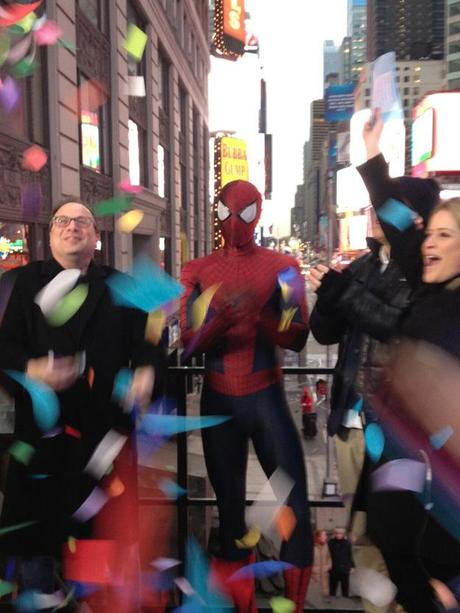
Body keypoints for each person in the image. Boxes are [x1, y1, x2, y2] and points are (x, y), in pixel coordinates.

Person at [0, 198, 165, 608]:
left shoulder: (121, 285)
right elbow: (3, 347)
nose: (72, 227)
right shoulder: (22, 283)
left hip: (100, 435)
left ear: (96, 237)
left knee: (96, 538)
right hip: (41, 434)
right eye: (63, 221)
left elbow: (152, 340)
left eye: (82, 222)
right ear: (51, 233)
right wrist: (32, 368)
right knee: (38, 545)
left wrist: (146, 371)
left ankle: (92, 598)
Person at [180, 180, 313, 613]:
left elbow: (297, 337)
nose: (234, 223)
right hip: (224, 401)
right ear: (215, 212)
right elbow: (188, 345)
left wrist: (260, 319)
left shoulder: (284, 265)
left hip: (264, 398)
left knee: (292, 502)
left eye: (244, 213)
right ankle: (244, 604)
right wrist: (221, 323)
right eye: (226, 214)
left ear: (258, 213)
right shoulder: (196, 269)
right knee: (230, 511)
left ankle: (288, 603)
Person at [355, 108, 460, 612]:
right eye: (431, 233)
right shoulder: (426, 285)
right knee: (400, 561)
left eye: (446, 235)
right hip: (403, 477)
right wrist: (373, 155)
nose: (431, 244)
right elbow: (400, 229)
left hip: (444, 500)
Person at [308, 210, 411, 613]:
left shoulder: (417, 270)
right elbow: (324, 333)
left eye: (385, 206)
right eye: (371, 206)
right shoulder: (362, 266)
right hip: (351, 419)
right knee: (362, 532)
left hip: (397, 425)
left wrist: (341, 291)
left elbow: (392, 324)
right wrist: (327, 297)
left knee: (401, 535)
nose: (374, 214)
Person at [328, 527, 354, 598]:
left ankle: (345, 602)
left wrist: (352, 567)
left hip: (344, 569)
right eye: (337, 533)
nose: (338, 535)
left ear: (343, 534)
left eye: (340, 533)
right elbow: (327, 555)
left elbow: (350, 555)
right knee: (332, 589)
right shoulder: (330, 543)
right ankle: (331, 603)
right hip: (333, 568)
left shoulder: (347, 543)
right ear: (334, 534)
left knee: (345, 588)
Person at [312, 529, 332, 598]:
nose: (326, 537)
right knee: (315, 593)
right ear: (318, 537)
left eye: (325, 535)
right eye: (324, 535)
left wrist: (329, 566)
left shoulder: (326, 545)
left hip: (325, 571)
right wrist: (312, 569)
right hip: (315, 573)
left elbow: (329, 557)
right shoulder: (312, 547)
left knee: (325, 590)